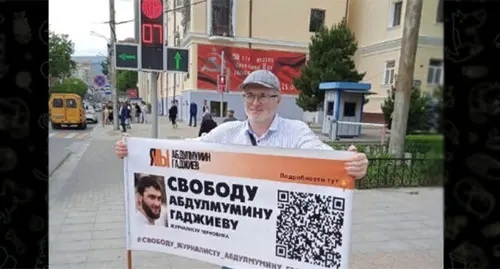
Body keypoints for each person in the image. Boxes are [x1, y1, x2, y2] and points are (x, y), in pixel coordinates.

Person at [115, 69, 368, 177]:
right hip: (236, 243)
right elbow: (190, 147)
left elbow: (322, 155)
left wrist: (350, 162)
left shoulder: (296, 132)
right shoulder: (227, 132)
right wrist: (136, 147)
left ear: (278, 100)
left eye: (262, 95)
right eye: (249, 95)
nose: (254, 102)